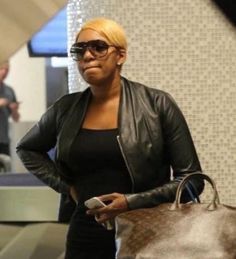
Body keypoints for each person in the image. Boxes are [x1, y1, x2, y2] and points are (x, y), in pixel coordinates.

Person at [16, 17, 204, 259]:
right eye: (79, 50)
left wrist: (131, 202)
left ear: (121, 55)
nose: (87, 55)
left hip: (148, 233)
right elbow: (27, 149)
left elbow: (191, 180)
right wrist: (67, 187)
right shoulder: (66, 108)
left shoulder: (156, 105)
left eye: (99, 47)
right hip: (85, 235)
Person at [0, 61, 20, 156]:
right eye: (1, 69)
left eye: (7, 70)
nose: (4, 72)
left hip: (4, 140)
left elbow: (16, 118)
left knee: (5, 168)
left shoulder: (9, 91)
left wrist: (14, 109)